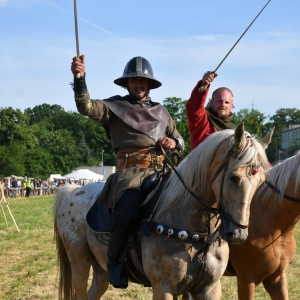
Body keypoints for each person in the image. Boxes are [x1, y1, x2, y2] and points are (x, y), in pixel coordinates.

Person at [71, 55, 184, 288]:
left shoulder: (162, 112)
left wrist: (174, 143)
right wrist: (79, 78)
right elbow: (86, 106)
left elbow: (179, 139)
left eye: (143, 80)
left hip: (163, 171)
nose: (139, 83)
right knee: (127, 209)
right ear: (127, 83)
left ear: (150, 84)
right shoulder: (114, 107)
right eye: (134, 80)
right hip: (130, 173)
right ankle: (115, 263)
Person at [186, 71, 236, 150]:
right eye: (219, 101)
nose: (223, 105)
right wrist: (203, 85)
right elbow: (194, 106)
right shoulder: (202, 120)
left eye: (227, 102)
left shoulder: (236, 131)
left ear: (232, 106)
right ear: (211, 103)